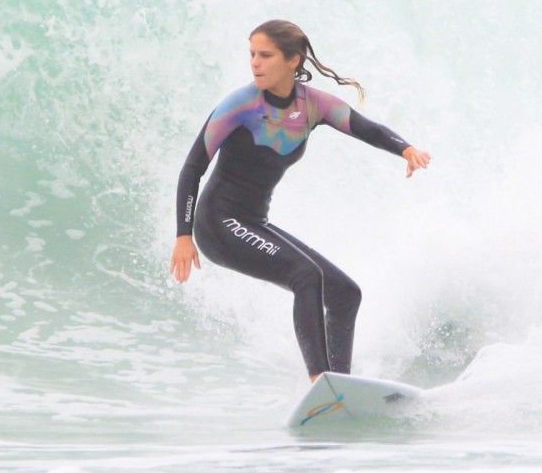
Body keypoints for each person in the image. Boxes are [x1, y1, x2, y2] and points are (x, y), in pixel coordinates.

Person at [170, 20, 432, 380]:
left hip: (253, 222)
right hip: (219, 224)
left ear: (293, 60)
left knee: (345, 294)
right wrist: (183, 235)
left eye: (266, 55)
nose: (255, 63)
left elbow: (366, 128)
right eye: (252, 55)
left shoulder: (314, 106)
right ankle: (319, 381)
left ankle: (340, 386)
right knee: (305, 276)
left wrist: (406, 149)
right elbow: (192, 167)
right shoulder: (240, 105)